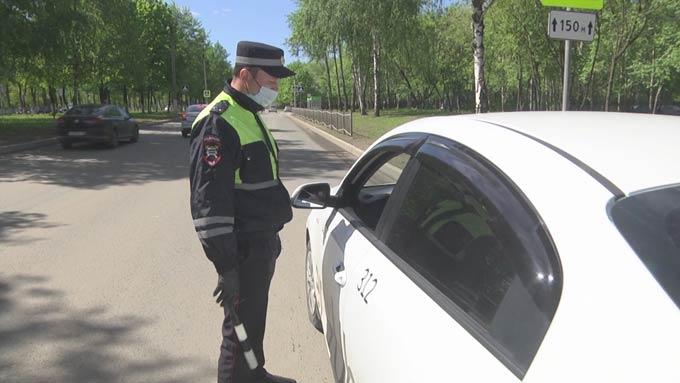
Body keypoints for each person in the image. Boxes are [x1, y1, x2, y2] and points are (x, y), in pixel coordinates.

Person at [188, 41, 297, 383]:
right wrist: (227, 265)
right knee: (237, 336)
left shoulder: (248, 113)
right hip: (241, 248)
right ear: (246, 75)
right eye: (272, 79)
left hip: (259, 241)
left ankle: (256, 374)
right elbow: (209, 204)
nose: (276, 88)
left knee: (253, 321)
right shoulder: (219, 123)